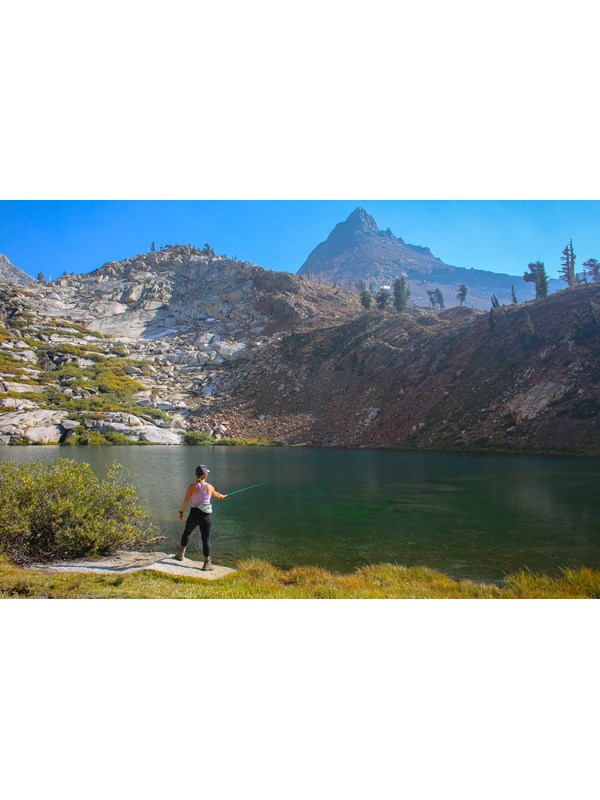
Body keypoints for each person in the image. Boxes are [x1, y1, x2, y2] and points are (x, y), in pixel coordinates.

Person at [177, 465, 227, 570]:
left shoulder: (192, 486)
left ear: (196, 474)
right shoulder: (209, 487)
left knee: (187, 532)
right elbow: (216, 495)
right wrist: (221, 496)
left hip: (194, 514)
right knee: (206, 539)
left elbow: (186, 501)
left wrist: (181, 512)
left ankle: (180, 555)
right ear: (206, 475)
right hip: (206, 516)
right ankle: (206, 563)